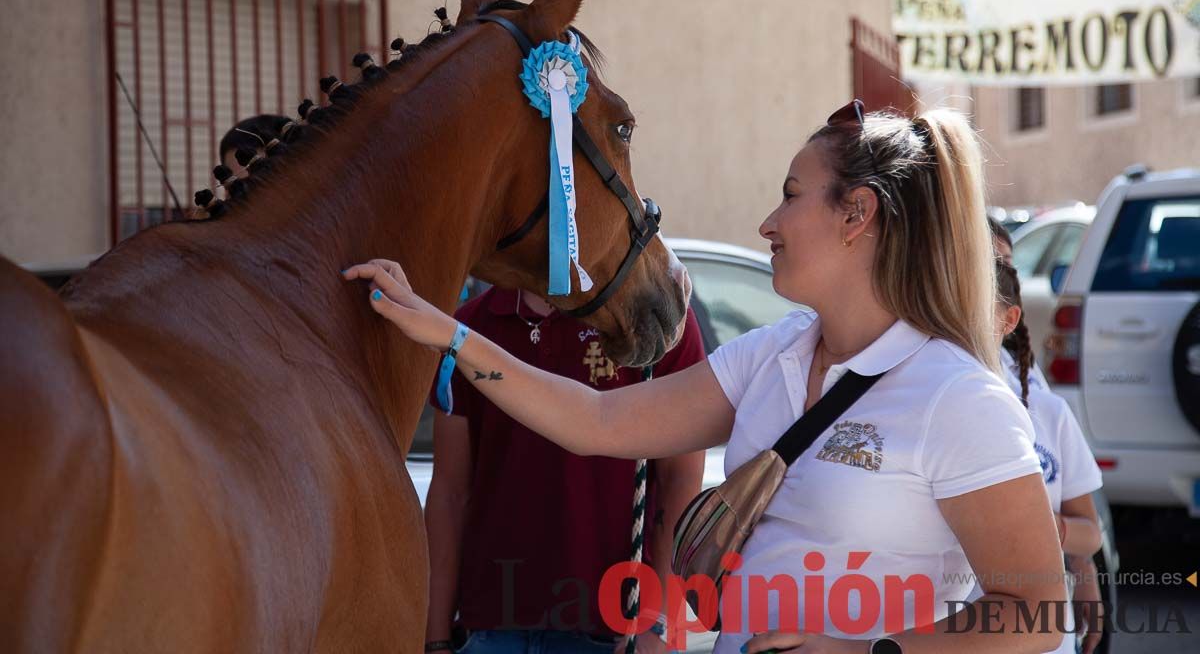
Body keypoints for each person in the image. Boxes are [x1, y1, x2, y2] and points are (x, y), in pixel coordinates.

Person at [346, 102, 1067, 654]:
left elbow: (1039, 609)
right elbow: (600, 423)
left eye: (790, 194)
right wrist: (450, 333)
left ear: (857, 214)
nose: (768, 222)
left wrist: (865, 649)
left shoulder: (957, 397)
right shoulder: (771, 355)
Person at [423, 287, 707, 654]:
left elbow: (681, 478)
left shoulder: (651, 315)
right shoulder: (473, 326)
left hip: (615, 631)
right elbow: (450, 491)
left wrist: (663, 625)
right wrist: (436, 637)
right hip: (491, 629)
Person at [992, 252, 1105, 654]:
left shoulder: (1046, 409)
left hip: (1042, 639)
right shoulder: (923, 405)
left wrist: (1046, 529)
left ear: (1007, 320)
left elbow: (1089, 534)